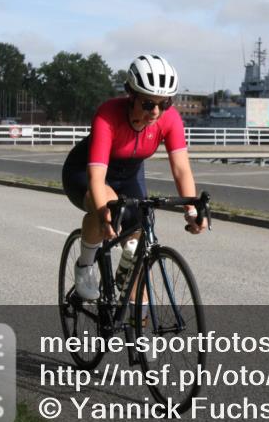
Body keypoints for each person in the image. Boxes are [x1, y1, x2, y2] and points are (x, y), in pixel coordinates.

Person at [61, 54, 205, 300]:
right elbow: (97, 177)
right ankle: (84, 266)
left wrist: (192, 209)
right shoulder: (108, 114)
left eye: (165, 103)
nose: (156, 112)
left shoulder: (169, 119)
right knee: (107, 207)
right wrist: (105, 218)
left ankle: (134, 322)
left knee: (139, 234)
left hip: (129, 173)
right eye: (149, 104)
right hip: (85, 171)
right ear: (132, 95)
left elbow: (181, 169)